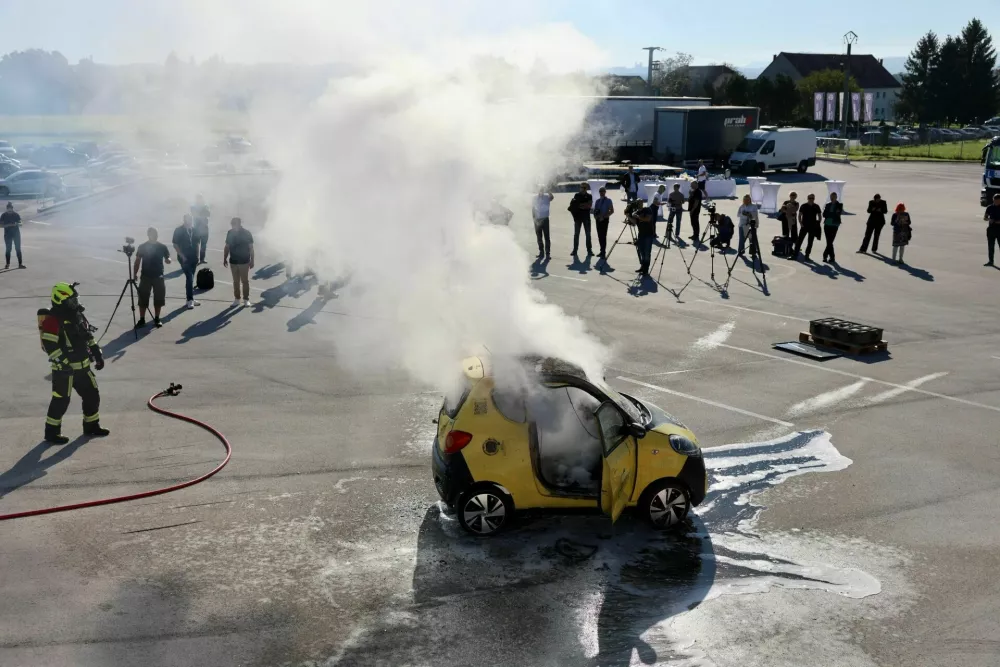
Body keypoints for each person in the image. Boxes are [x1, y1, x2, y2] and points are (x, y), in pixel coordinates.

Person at [40, 282, 109, 444]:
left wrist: (97, 353)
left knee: (92, 396)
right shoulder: (52, 321)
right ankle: (51, 433)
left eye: (75, 299)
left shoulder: (76, 315)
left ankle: (91, 426)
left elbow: (87, 336)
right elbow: (51, 347)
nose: (75, 303)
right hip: (64, 371)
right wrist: (64, 365)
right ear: (60, 300)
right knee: (61, 401)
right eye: (71, 300)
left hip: (83, 368)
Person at [132, 227, 171, 328]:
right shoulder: (142, 247)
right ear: (148, 235)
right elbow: (137, 261)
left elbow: (167, 257)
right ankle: (142, 319)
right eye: (153, 234)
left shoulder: (162, 247)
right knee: (143, 298)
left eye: (156, 234)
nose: (155, 235)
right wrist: (135, 273)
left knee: (158, 298)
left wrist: (168, 260)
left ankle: (157, 318)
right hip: (146, 276)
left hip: (159, 276)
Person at [223, 217, 255, 306]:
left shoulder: (247, 233)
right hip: (233, 261)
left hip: (244, 261)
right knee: (235, 281)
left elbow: (251, 248)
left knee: (245, 281)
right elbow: (227, 246)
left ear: (239, 224)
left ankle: (246, 299)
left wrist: (252, 260)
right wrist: (225, 258)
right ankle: (237, 299)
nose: (232, 226)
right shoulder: (230, 233)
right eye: (232, 225)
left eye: (234, 224)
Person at [172, 214, 201, 309]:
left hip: (194, 258)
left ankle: (190, 298)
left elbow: (197, 243)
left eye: (191, 219)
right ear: (184, 220)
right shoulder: (179, 230)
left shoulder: (195, 230)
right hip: (184, 258)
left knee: (191, 278)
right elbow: (175, 244)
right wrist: (182, 256)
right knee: (189, 277)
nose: (191, 221)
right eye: (189, 219)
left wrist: (198, 256)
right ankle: (189, 300)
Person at [627, 198, 657, 275]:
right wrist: (628, 216)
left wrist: (637, 216)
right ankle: (642, 267)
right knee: (642, 252)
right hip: (641, 235)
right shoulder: (636, 212)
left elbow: (648, 219)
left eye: (640, 202)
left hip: (648, 235)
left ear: (642, 203)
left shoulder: (647, 209)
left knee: (647, 253)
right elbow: (634, 223)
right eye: (637, 202)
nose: (639, 204)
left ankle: (646, 270)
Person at [795, 193, 822, 260]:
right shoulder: (803, 206)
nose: (811, 199)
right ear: (807, 198)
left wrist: (818, 223)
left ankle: (807, 255)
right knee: (799, 240)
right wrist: (801, 223)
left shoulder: (816, 206)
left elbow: (819, 215)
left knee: (810, 242)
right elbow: (799, 215)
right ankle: (795, 254)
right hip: (804, 226)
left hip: (812, 226)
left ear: (814, 199)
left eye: (812, 198)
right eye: (810, 198)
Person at [569, 182, 593, 255]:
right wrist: (583, 205)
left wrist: (581, 205)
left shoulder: (589, 196)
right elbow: (574, 205)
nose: (582, 189)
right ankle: (575, 250)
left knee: (588, 234)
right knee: (576, 234)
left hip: (586, 217)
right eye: (581, 187)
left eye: (584, 188)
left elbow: (589, 205)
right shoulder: (577, 195)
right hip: (578, 217)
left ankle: (589, 250)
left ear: (586, 188)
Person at [592, 187, 614, 259]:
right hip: (598, 220)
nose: (601, 193)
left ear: (605, 192)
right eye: (600, 191)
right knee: (599, 236)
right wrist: (595, 216)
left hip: (604, 220)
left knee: (603, 236)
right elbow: (595, 211)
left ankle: (603, 252)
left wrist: (604, 217)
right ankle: (601, 251)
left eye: (603, 191)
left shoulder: (608, 200)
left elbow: (612, 211)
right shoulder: (597, 201)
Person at [822, 192, 844, 263]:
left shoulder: (839, 205)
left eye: (833, 197)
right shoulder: (828, 204)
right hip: (827, 224)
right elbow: (824, 214)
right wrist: (832, 213)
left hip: (834, 224)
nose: (832, 198)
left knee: (830, 241)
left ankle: (825, 255)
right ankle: (832, 257)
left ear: (836, 197)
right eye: (831, 197)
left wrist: (830, 213)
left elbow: (838, 214)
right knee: (829, 241)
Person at [531, 187, 553, 258]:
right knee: (539, 237)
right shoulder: (534, 198)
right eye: (540, 190)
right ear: (538, 191)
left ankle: (548, 253)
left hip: (545, 219)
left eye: (542, 190)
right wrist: (534, 219)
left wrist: (549, 191)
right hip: (537, 220)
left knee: (547, 237)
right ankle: (541, 252)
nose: (541, 191)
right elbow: (533, 208)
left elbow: (552, 198)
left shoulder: (547, 197)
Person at [2, 201, 24, 269]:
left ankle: (20, 264)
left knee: (18, 249)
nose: (9, 210)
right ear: (7, 209)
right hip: (8, 235)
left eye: (10, 209)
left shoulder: (16, 215)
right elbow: (0, 225)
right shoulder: (4, 215)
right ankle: (7, 264)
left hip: (16, 234)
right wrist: (8, 225)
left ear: (12, 208)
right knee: (8, 249)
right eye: (8, 209)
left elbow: (21, 223)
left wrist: (17, 224)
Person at [190, 194, 211, 264]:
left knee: (203, 245)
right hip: (196, 228)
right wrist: (202, 212)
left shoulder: (205, 206)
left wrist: (202, 212)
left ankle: (202, 259)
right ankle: (196, 258)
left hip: (204, 227)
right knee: (195, 244)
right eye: (198, 199)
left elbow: (208, 214)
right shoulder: (193, 207)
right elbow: (194, 214)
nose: (199, 200)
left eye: (200, 199)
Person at [984, 193, 1000, 266]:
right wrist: (988, 219)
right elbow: (985, 217)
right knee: (990, 246)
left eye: (997, 201)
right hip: (991, 229)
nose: (995, 202)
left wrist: (997, 221)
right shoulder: (990, 207)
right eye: (994, 200)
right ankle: (991, 261)